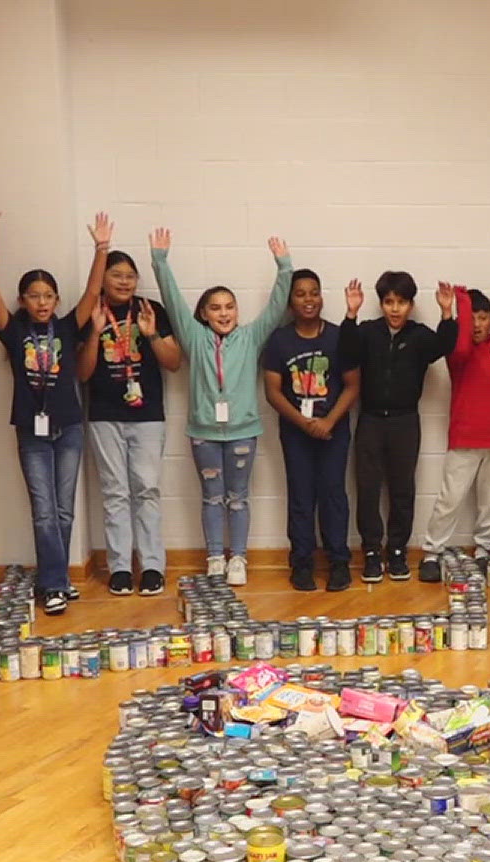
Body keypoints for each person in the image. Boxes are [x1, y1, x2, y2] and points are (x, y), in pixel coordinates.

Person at [0, 212, 114, 616]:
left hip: (68, 426)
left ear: (56, 301)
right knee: (43, 509)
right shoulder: (13, 330)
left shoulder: (68, 328)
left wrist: (101, 249)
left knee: (64, 508)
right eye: (34, 296)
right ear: (24, 300)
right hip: (30, 430)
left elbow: (92, 292)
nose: (41, 302)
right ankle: (53, 583)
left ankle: (58, 578)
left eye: (48, 296)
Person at [149, 229, 293, 587]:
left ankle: (238, 559)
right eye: (215, 307)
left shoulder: (251, 336)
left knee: (238, 498)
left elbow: (277, 306)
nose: (224, 313)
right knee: (213, 497)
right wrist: (160, 261)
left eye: (230, 306)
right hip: (204, 434)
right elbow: (173, 300)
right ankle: (215, 556)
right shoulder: (194, 336)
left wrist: (284, 266)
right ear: (203, 313)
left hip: (244, 432)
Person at [78, 248, 181, 598]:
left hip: (148, 415)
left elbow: (174, 362)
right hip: (105, 415)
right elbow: (82, 372)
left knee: (147, 489)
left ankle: (152, 566)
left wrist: (150, 335)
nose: (124, 281)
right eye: (116, 275)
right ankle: (120, 567)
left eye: (129, 275)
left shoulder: (150, 310)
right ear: (102, 280)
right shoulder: (90, 310)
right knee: (115, 493)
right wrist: (94, 332)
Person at [345, 272, 457, 583]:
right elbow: (347, 350)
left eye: (402, 302)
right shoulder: (368, 332)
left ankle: (397, 551)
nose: (395, 309)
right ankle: (370, 552)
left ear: (410, 304)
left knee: (402, 488)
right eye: (389, 302)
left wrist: (447, 313)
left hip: (405, 421)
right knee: (367, 488)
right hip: (369, 419)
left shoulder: (419, 335)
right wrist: (351, 314)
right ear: (381, 303)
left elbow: (445, 345)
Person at [262, 269, 359, 592]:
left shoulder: (337, 336)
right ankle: (302, 563)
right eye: (301, 293)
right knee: (301, 497)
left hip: (334, 430)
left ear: (321, 296)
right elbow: (273, 392)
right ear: (290, 301)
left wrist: (328, 422)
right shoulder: (279, 340)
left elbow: (352, 385)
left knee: (333, 494)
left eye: (314, 292)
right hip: (295, 431)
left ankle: (338, 563)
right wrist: (304, 423)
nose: (308, 299)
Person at [417, 286, 490, 581]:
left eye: (483, 317)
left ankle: (484, 549)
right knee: (450, 498)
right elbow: (461, 347)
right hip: (464, 438)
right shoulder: (457, 351)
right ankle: (432, 552)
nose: (477, 324)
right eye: (471, 318)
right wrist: (457, 305)